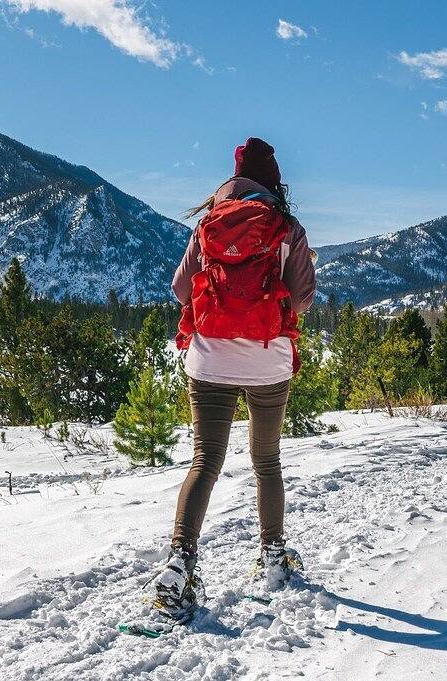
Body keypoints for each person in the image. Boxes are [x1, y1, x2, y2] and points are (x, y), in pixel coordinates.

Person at [151, 137, 317, 619]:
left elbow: (182, 289)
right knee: (266, 460)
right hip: (268, 359)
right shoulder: (287, 229)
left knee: (206, 460)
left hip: (208, 359)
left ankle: (180, 563)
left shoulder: (208, 225)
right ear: (274, 181)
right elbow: (303, 298)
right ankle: (271, 556)